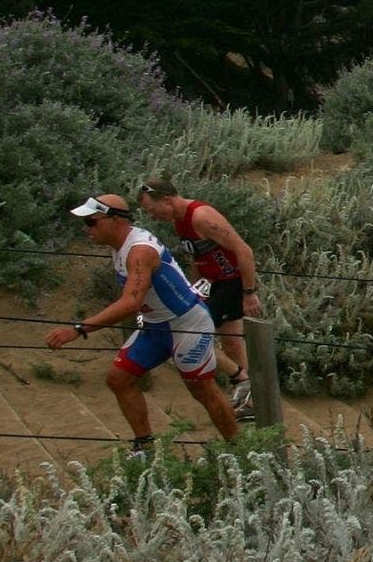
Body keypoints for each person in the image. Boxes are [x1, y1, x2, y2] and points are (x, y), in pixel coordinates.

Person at [47, 195, 243, 451]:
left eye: (91, 222)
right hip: (156, 325)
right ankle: (145, 446)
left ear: (116, 221)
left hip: (186, 324)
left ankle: (239, 449)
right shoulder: (122, 245)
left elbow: (130, 303)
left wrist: (79, 329)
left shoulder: (139, 251)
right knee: (118, 379)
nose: (87, 229)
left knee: (202, 389)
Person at [137, 180, 263, 418]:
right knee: (231, 341)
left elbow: (243, 250)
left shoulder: (200, 216)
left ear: (166, 199)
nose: (152, 216)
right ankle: (250, 398)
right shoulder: (179, 221)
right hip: (213, 283)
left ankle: (243, 380)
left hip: (231, 281)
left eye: (152, 210)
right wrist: (193, 289)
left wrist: (249, 292)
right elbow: (198, 258)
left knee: (190, 335)